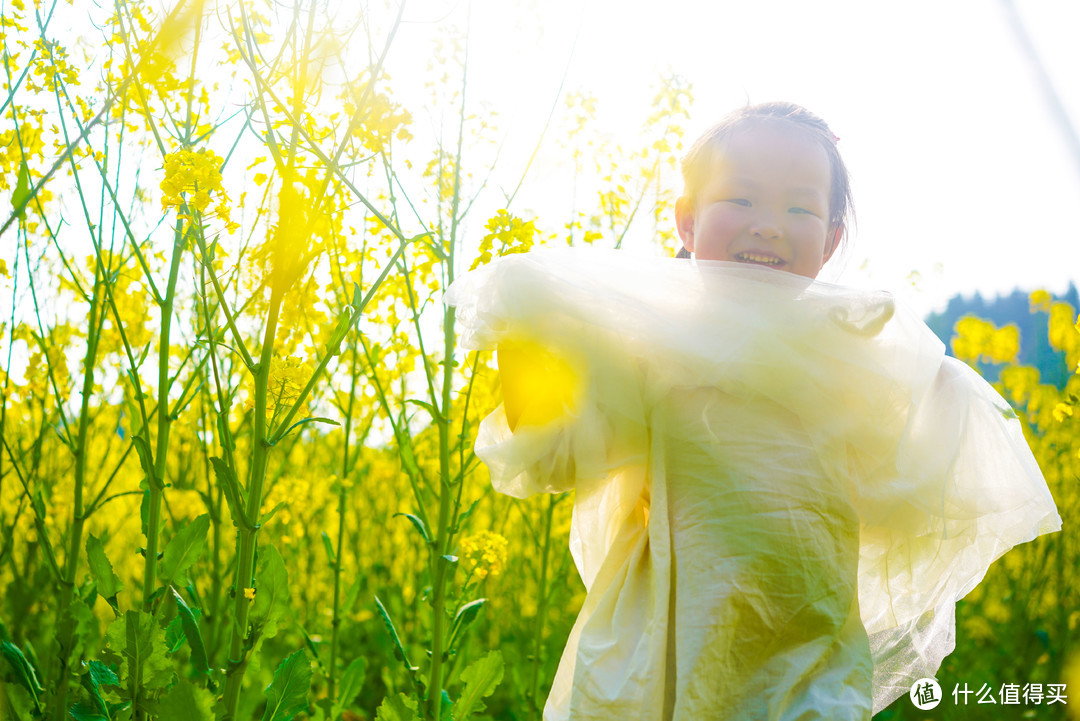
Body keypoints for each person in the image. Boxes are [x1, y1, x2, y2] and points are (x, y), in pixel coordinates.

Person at [443, 102, 1062, 720]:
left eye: (798, 207)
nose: (768, 225)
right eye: (741, 199)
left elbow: (911, 488)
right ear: (686, 221)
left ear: (829, 242)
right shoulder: (651, 351)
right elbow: (556, 456)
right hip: (656, 657)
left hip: (807, 660)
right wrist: (522, 333)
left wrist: (951, 402)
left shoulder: (852, 355)